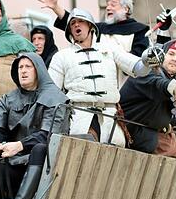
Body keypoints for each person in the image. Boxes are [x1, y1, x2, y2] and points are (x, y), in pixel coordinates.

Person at [0, 52, 69, 199]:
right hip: (14, 160)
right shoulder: (8, 98)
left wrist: (20, 145)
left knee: (39, 148)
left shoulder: (55, 97)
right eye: (20, 67)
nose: (23, 71)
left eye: (28, 67)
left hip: (45, 162)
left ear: (38, 70)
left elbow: (48, 135)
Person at [47, 8, 152, 147]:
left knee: (114, 160)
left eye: (81, 21)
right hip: (79, 118)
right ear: (70, 31)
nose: (76, 25)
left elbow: (138, 68)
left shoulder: (110, 49)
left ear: (90, 25)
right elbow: (51, 92)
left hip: (110, 118)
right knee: (84, 154)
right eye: (72, 23)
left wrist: (149, 59)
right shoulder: (61, 56)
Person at [118, 39, 176, 156]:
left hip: (144, 142)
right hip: (127, 138)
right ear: (163, 55)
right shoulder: (149, 70)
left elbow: (163, 119)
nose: (175, 59)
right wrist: (173, 87)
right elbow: (158, 84)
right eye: (171, 54)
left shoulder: (171, 78)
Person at [37, 0, 172, 57]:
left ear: (126, 9)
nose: (108, 8)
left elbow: (139, 58)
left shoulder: (140, 30)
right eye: (107, 5)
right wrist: (56, 8)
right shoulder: (99, 28)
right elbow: (75, 24)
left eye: (113, 5)